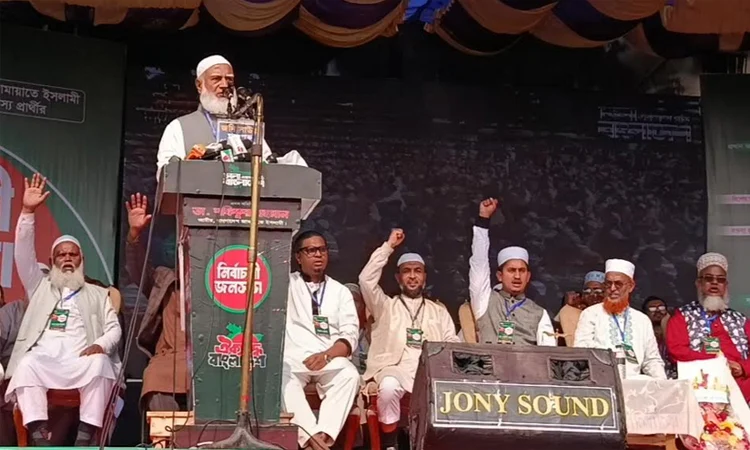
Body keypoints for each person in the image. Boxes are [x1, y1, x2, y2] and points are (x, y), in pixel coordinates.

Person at [4, 174, 122, 446]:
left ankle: (84, 436)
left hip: (80, 359)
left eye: (72, 254)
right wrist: (27, 212)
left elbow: (113, 328)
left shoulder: (98, 293)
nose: (67, 258)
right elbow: (22, 254)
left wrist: (100, 345)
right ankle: (38, 435)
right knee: (27, 363)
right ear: (52, 260)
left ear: (81, 259)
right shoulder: (39, 286)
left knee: (101, 363)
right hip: (46, 359)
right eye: (61, 254)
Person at [359, 229, 459, 450]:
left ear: (424, 277)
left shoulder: (438, 311)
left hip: (429, 374)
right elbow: (365, 280)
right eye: (407, 271)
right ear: (398, 278)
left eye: (417, 271)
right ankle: (390, 444)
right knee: (388, 387)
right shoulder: (385, 306)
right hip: (394, 369)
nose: (412, 276)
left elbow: (451, 342)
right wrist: (388, 247)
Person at [155, 55, 304, 178]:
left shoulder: (248, 126)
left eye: (229, 79)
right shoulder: (178, 127)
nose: (224, 85)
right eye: (216, 79)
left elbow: (267, 166)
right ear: (199, 85)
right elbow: (165, 174)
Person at [282, 231, 360, 450]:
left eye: (322, 250)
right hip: (294, 358)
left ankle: (321, 438)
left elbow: (350, 333)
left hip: (328, 358)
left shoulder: (340, 291)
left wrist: (327, 356)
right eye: (311, 250)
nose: (318, 255)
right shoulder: (286, 284)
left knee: (349, 375)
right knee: (280, 378)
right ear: (298, 257)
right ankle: (314, 439)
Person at [124, 193, 188, 411]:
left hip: (206, 358)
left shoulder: (215, 281)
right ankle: (168, 434)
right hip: (169, 357)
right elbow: (138, 270)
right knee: (154, 376)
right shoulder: (165, 278)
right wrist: (134, 235)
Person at [468, 198, 555, 346]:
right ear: (499, 276)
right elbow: (479, 263)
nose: (517, 276)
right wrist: (483, 219)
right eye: (511, 270)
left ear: (528, 276)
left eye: (522, 271)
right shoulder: (484, 300)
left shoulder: (539, 314)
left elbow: (549, 353)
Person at [666, 252, 750, 400]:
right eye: (709, 279)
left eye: (720, 280)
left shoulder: (740, 319)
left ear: (726, 285)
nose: (715, 283)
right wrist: (717, 363)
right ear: (699, 283)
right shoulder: (683, 316)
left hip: (741, 390)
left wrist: (742, 368)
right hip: (700, 387)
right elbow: (677, 352)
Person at [574, 259, 665, 379]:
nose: (612, 288)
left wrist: (663, 383)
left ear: (630, 286)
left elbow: (652, 360)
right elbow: (581, 351)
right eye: (608, 284)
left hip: (634, 383)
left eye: (618, 284)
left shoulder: (642, 320)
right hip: (601, 380)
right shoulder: (591, 314)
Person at [555, 271, 605, 346]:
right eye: (587, 291)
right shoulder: (574, 313)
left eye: (598, 291)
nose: (592, 295)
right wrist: (568, 305)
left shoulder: (611, 314)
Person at [642, 296, 677, 379]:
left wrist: (664, 325)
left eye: (661, 307)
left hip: (674, 377)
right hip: (650, 378)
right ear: (645, 313)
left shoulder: (676, 330)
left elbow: (674, 353)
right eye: (652, 308)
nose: (658, 311)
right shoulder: (642, 333)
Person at [346, 283, 371, 375]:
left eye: (355, 300)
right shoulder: (333, 332)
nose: (351, 304)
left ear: (362, 305)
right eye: (347, 300)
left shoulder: (369, 333)